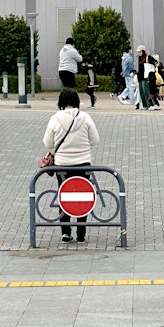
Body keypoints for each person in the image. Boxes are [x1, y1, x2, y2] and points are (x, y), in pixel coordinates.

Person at [41, 90, 99, 243]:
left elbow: (48, 142)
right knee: (82, 195)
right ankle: (81, 233)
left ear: (61, 101)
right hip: (83, 164)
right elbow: (95, 140)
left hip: (62, 165)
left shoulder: (55, 118)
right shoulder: (85, 117)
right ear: (77, 100)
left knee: (65, 195)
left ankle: (65, 232)